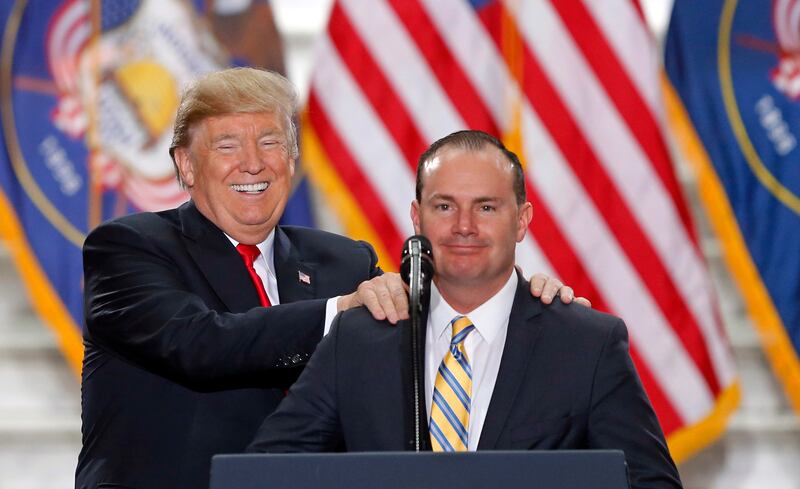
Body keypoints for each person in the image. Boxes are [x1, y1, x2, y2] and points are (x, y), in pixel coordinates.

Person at [76, 69, 577, 489]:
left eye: (270, 141)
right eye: (228, 145)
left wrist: (520, 302)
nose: (253, 162)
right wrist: (338, 312)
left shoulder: (344, 263)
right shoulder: (127, 248)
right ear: (186, 165)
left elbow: (437, 326)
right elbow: (199, 343)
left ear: (291, 160)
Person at [247, 130, 683, 489]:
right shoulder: (358, 339)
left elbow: (651, 484)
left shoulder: (587, 344)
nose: (464, 227)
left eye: (486, 207)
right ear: (417, 219)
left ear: (523, 221)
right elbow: (263, 474)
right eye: (444, 206)